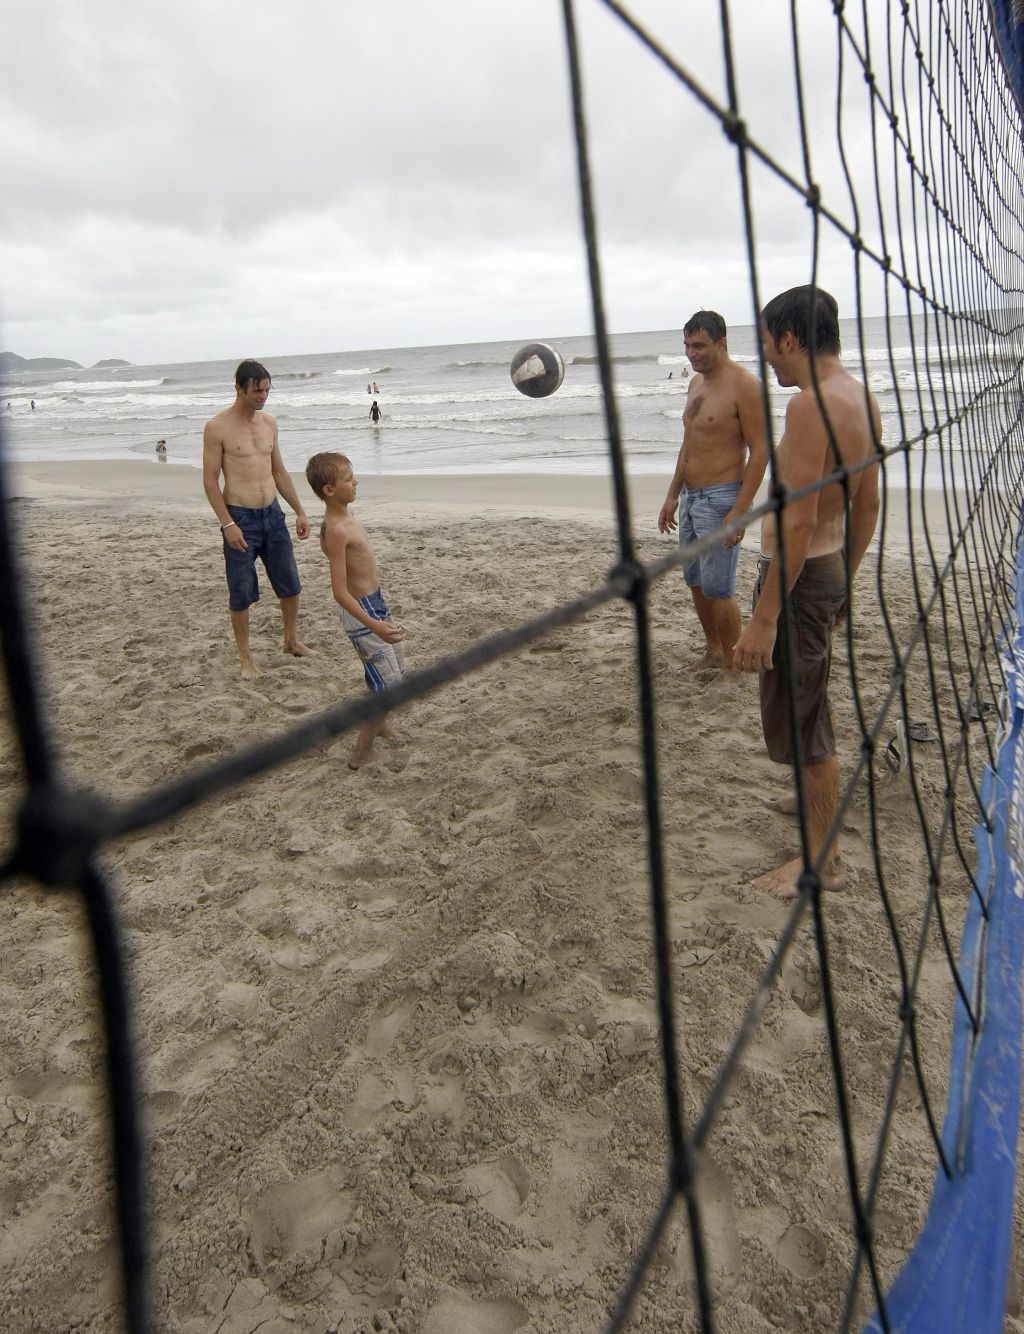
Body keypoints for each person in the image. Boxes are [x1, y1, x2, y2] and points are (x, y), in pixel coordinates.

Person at [734, 285, 881, 898]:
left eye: (767, 342)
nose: (766, 355)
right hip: (823, 571)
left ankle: (822, 864)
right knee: (807, 705)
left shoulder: (809, 406)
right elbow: (868, 503)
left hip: (796, 581)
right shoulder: (860, 396)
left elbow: (796, 520)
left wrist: (765, 617)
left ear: (789, 339)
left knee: (809, 722)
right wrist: (845, 576)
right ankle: (809, 807)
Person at [657, 310, 768, 674]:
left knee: (719, 588)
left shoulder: (745, 385)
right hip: (690, 499)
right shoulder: (695, 385)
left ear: (722, 343)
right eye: (687, 345)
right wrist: (673, 494)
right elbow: (688, 442)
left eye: (700, 345)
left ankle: (732, 666)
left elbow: (761, 450)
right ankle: (715, 651)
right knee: (696, 582)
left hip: (722, 498)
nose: (692, 353)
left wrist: (741, 509)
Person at [203, 358, 313, 680]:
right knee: (241, 591)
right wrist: (228, 524)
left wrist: (300, 510)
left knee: (290, 583)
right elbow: (210, 481)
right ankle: (245, 658)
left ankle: (291, 641)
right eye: (256, 391)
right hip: (240, 516)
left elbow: (278, 470)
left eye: (266, 390)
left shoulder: (269, 423)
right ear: (239, 388)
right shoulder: (217, 427)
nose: (262, 396)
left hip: (273, 513)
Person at [305, 451, 405, 769]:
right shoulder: (336, 529)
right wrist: (373, 625)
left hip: (376, 603)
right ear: (329, 490)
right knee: (389, 685)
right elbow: (339, 592)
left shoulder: (347, 516)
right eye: (349, 479)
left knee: (393, 667)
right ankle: (361, 753)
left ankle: (382, 722)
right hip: (361, 613)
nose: (356, 481)